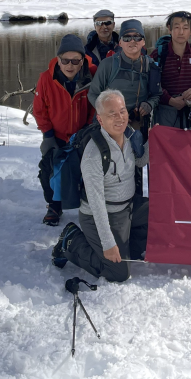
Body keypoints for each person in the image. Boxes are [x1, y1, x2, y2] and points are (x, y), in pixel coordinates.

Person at [52, 90, 149, 283]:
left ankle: (128, 247)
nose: (120, 118)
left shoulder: (129, 136)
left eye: (122, 111)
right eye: (112, 114)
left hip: (128, 207)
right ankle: (71, 241)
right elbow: (96, 204)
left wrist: (155, 140)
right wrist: (108, 243)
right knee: (119, 273)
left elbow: (138, 162)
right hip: (101, 215)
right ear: (100, 119)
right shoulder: (94, 154)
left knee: (160, 214)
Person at [33, 34, 97, 226]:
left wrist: (87, 130)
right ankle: (54, 204)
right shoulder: (46, 78)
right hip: (56, 133)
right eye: (65, 60)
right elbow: (39, 109)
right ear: (58, 60)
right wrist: (48, 134)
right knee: (51, 168)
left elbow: (94, 106)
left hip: (82, 133)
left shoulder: (90, 76)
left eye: (75, 60)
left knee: (85, 168)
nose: (70, 65)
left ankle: (89, 204)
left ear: (82, 61)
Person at [87, 19, 161, 134]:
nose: (132, 41)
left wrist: (149, 104)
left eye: (137, 37)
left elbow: (156, 95)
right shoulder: (108, 65)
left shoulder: (150, 66)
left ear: (143, 42)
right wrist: (109, 113)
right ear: (120, 43)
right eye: (127, 37)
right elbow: (93, 94)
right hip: (110, 124)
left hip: (138, 124)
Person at [152, 11, 191, 128]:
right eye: (177, 27)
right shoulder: (158, 54)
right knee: (167, 145)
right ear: (169, 29)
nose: (181, 32)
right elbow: (152, 84)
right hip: (165, 112)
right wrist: (170, 100)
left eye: (185, 28)